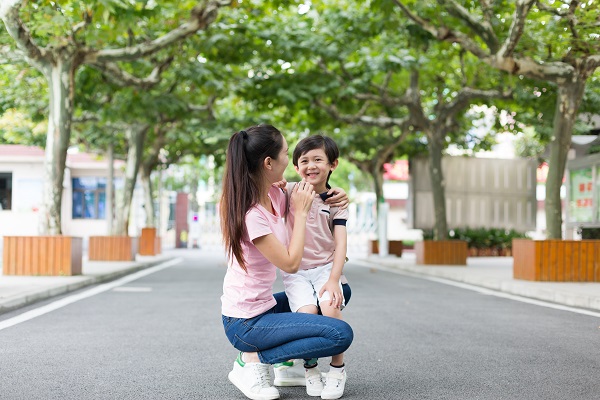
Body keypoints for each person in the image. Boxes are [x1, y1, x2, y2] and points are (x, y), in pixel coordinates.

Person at [220, 124, 353, 400]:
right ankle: (251, 360)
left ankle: (287, 366)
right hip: (246, 323)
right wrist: (301, 214)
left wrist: (338, 194)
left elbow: (315, 195)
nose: (290, 159)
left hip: (265, 306)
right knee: (339, 334)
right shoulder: (251, 215)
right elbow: (291, 265)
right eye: (286, 153)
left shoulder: (273, 193)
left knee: (340, 292)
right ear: (269, 163)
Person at [272, 135, 349, 400]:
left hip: (326, 268)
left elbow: (340, 244)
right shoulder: (291, 191)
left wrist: (333, 279)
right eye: (304, 160)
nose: (311, 165)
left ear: (333, 164)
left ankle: (337, 370)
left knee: (330, 309)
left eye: (318, 159)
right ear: (296, 167)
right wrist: (279, 184)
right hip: (295, 273)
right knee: (307, 316)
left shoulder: (336, 202)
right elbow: (269, 188)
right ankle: (311, 368)